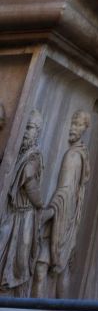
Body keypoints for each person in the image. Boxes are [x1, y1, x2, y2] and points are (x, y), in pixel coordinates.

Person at [33, 111, 91, 298]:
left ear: (85, 129)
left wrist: (49, 212)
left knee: (47, 266)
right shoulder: (81, 154)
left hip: (62, 215)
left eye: (79, 125)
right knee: (58, 268)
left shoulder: (73, 156)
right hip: (67, 215)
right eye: (73, 123)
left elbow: (65, 190)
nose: (74, 128)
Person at [0, 110, 45, 296]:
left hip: (25, 216)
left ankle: (18, 296)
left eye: (31, 128)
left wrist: (40, 203)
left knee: (21, 258)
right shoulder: (21, 153)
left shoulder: (32, 156)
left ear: (38, 133)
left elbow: (30, 183)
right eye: (25, 127)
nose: (27, 132)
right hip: (14, 213)